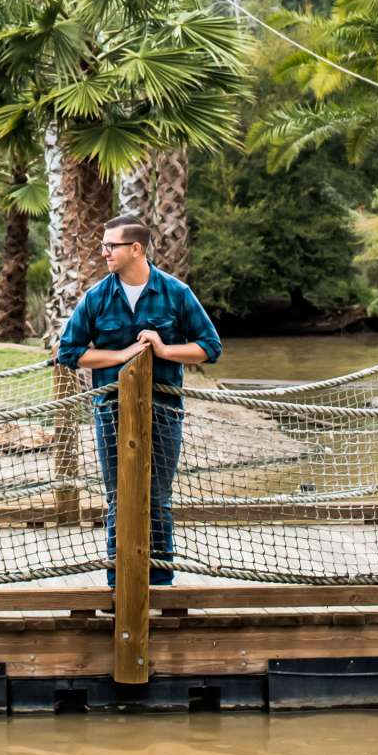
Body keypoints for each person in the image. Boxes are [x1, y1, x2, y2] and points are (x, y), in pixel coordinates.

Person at [54, 210, 222, 585]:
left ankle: (160, 583)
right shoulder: (96, 297)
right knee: (118, 497)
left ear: (135, 249)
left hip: (164, 410)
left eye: (110, 246)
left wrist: (163, 350)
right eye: (103, 246)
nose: (104, 253)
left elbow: (210, 347)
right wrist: (119, 356)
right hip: (110, 411)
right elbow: (69, 351)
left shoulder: (176, 293)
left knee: (157, 497)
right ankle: (119, 583)